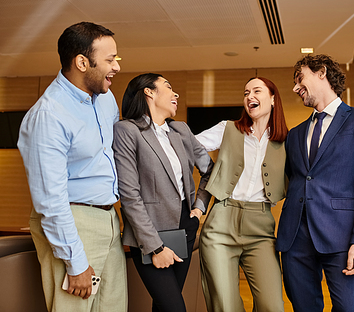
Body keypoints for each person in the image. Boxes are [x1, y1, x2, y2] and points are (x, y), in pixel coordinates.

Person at [17, 22, 127, 311]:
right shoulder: (49, 114)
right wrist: (75, 262)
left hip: (109, 219)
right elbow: (50, 198)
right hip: (73, 222)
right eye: (109, 59)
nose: (115, 66)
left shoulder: (106, 101)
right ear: (81, 62)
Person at [276, 54, 354, 312]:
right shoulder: (295, 134)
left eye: (299, 78)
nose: (294, 88)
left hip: (343, 237)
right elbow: (294, 179)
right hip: (295, 238)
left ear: (321, 73)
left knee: (348, 308)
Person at [112, 73, 214, 312]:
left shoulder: (181, 130)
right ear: (149, 92)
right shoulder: (127, 131)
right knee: (174, 307)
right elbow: (129, 196)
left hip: (185, 228)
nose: (175, 94)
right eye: (168, 87)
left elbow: (210, 171)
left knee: (163, 306)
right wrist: (155, 247)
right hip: (148, 234)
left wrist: (198, 208)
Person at [195, 77, 288, 312]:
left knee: (273, 306)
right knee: (225, 306)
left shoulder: (287, 140)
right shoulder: (227, 128)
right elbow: (190, 147)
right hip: (221, 222)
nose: (249, 97)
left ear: (273, 99)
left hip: (261, 227)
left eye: (257, 91)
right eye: (246, 92)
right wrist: (212, 172)